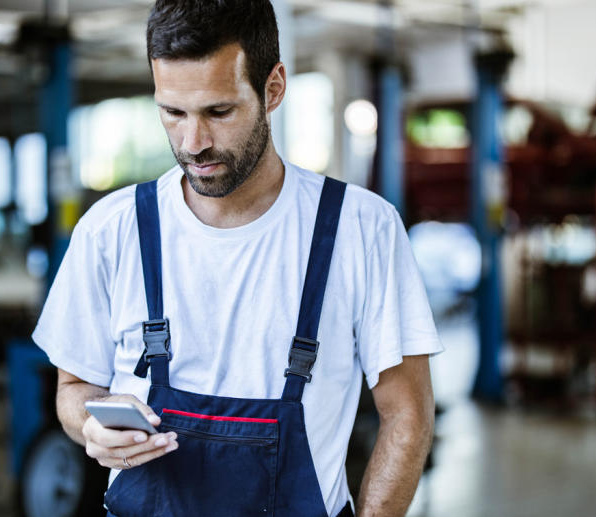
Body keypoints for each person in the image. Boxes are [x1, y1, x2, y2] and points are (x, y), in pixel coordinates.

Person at [32, 1, 443, 515]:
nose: (193, 143)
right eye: (172, 113)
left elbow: (407, 413)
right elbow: (73, 388)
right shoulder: (111, 230)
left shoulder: (361, 228)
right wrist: (92, 424)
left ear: (273, 89)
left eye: (218, 112)